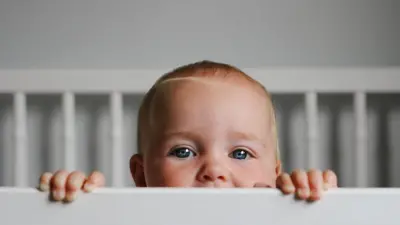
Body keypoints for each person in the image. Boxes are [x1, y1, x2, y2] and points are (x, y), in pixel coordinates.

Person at [38, 60, 337, 203]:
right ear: (141, 176)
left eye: (241, 153)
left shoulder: (281, 216)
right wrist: (76, 207)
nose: (214, 170)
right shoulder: (128, 218)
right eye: (183, 151)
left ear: (275, 175)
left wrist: (315, 206)